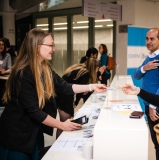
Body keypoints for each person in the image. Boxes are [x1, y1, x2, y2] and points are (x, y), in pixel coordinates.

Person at [0, 28, 106, 160]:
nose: (54, 49)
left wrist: (92, 86)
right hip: (16, 133)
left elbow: (65, 87)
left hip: (33, 129)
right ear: (36, 46)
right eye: (50, 45)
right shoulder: (23, 73)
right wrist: (62, 125)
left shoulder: (44, 67)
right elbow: (34, 111)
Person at [133, 28, 159, 160]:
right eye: (147, 39)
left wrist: (152, 106)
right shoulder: (149, 58)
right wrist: (145, 67)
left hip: (158, 107)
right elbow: (136, 75)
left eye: (152, 39)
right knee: (157, 143)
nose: (148, 42)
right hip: (149, 105)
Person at [56, 58, 100, 138]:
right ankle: (59, 141)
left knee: (64, 121)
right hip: (64, 96)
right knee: (64, 122)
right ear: (94, 67)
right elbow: (79, 91)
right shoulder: (86, 73)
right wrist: (76, 102)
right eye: (97, 68)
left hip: (61, 94)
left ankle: (61, 140)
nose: (98, 70)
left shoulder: (80, 68)